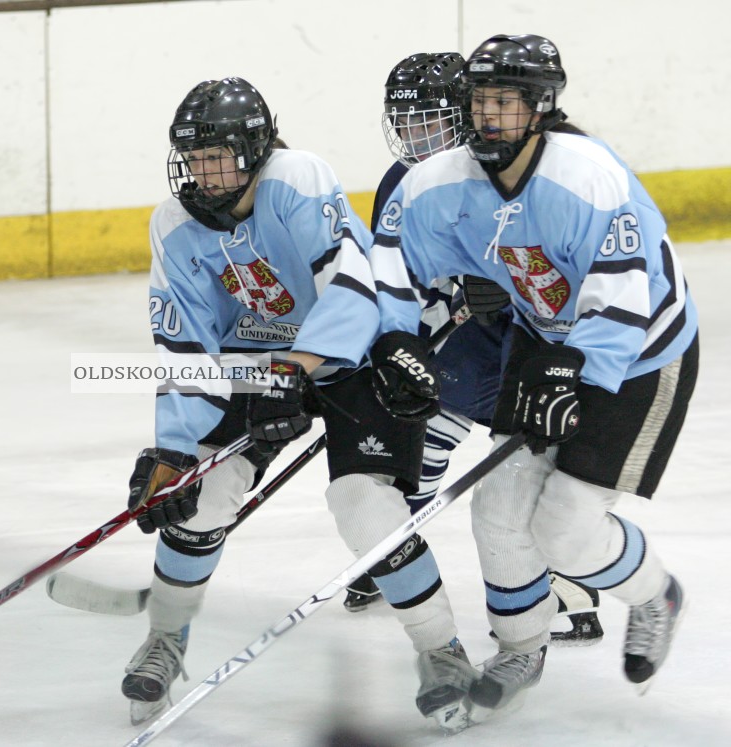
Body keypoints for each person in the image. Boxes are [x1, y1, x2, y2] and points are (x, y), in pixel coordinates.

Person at [123, 77, 476, 733]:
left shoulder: (297, 177)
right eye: (194, 158)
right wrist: (174, 448)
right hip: (255, 362)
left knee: (365, 506)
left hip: (348, 352)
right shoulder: (173, 224)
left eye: (219, 155)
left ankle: (442, 650)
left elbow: (349, 283)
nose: (205, 172)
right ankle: (165, 640)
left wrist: (296, 367)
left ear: (256, 148)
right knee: (201, 491)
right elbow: (183, 344)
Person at [365, 34, 696, 716]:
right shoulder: (442, 181)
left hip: (641, 357)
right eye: (480, 102)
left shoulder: (585, 177)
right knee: (498, 507)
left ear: (540, 109)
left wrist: (573, 370)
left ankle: (655, 593)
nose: (490, 117)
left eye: (506, 104)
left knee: (567, 527)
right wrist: (394, 339)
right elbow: (393, 272)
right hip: (543, 342)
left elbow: (625, 295)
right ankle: (520, 647)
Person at [342, 52, 604, 649]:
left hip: (533, 345)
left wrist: (506, 289)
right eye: (406, 124)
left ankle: (565, 586)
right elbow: (401, 278)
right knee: (417, 430)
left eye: (430, 123)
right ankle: (397, 552)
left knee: (526, 469)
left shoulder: (526, 172)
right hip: (471, 344)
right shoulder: (402, 183)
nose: (416, 139)